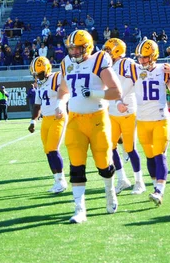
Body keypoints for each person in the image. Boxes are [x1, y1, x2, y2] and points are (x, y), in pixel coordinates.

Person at [54, 30, 122, 224]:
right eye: (71, 48)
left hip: (97, 118)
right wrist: (60, 103)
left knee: (103, 162)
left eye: (77, 48)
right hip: (75, 120)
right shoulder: (67, 64)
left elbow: (116, 91)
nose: (73, 52)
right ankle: (80, 209)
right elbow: (63, 89)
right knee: (76, 165)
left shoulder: (99, 60)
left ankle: (110, 192)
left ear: (87, 47)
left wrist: (94, 93)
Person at [122, 40, 170, 206]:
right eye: (140, 58)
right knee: (150, 157)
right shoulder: (135, 71)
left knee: (160, 155)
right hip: (143, 121)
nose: (142, 61)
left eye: (145, 57)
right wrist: (118, 102)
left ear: (153, 56)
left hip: (160, 120)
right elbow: (123, 91)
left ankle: (159, 190)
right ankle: (155, 187)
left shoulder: (163, 70)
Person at [102, 38, 145, 195]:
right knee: (111, 147)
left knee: (130, 148)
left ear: (117, 50)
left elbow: (139, 78)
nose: (106, 53)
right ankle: (122, 179)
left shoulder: (127, 63)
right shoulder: (108, 66)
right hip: (112, 111)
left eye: (108, 50)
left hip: (127, 110)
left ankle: (139, 182)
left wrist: (124, 97)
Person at [28, 57, 68, 193]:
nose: (37, 77)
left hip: (58, 118)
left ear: (47, 70)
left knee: (52, 148)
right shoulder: (40, 84)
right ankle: (57, 180)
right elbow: (37, 104)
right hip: (46, 119)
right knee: (47, 151)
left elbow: (66, 93)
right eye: (35, 74)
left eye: (38, 73)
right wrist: (33, 120)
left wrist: (61, 106)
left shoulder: (57, 78)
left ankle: (62, 181)